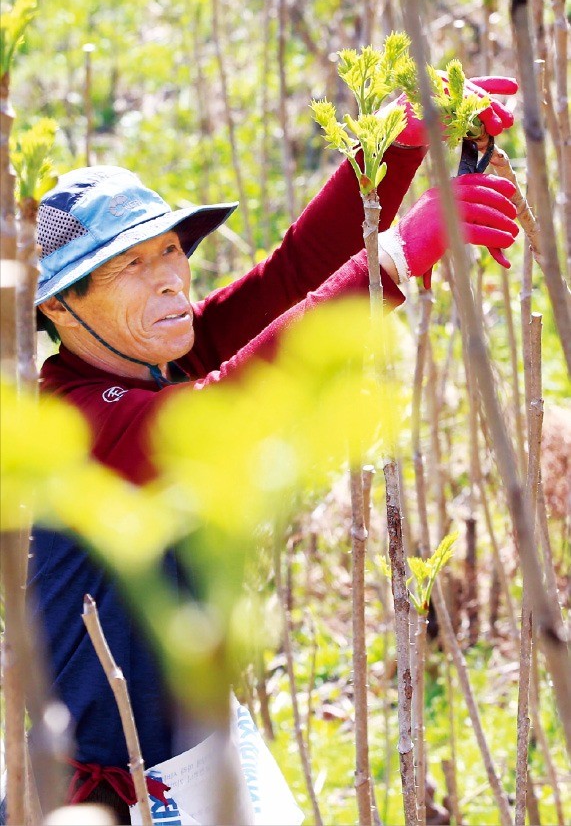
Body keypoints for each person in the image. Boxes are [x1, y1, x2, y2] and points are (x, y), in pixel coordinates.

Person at [27, 76, 519, 822]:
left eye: (170, 250)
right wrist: (389, 260)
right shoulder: (73, 417)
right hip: (106, 791)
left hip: (193, 753)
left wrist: (396, 144)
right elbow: (225, 408)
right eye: (130, 266)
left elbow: (293, 273)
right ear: (59, 308)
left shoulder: (155, 356)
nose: (169, 280)